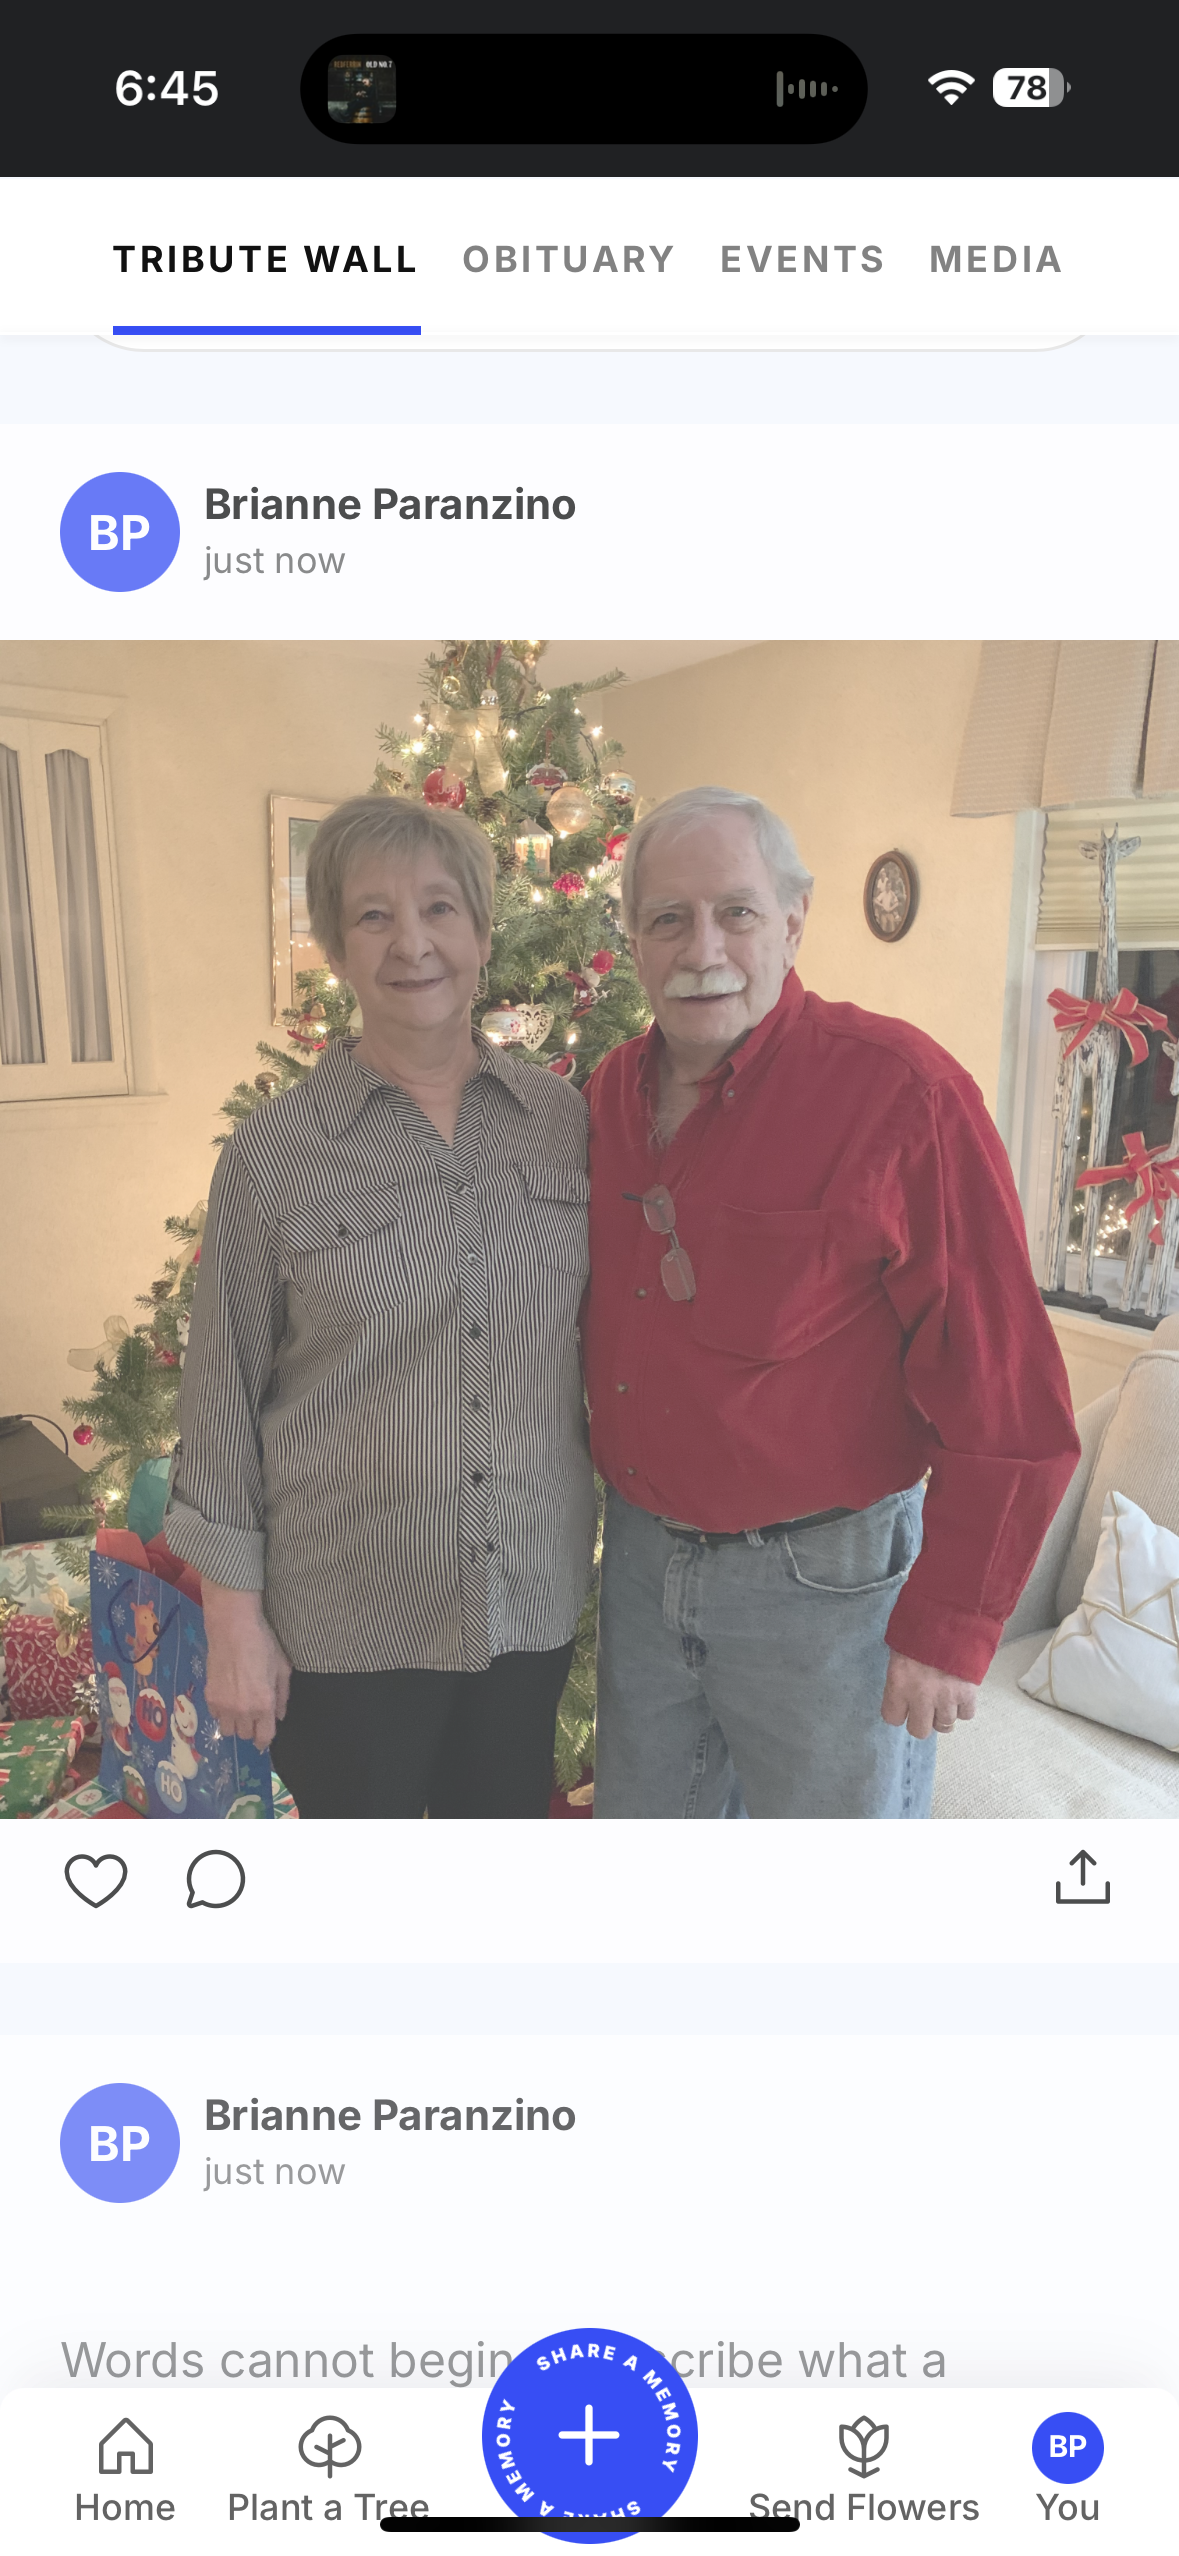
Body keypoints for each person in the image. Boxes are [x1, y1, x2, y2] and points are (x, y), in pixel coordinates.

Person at [580, 784, 1081, 1819]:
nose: (701, 949)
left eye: (736, 911)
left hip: (826, 1594)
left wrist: (950, 1628)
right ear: (631, 941)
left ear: (794, 921)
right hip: (638, 1565)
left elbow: (1009, 1396)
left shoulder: (903, 1095)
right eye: (666, 918)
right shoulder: (603, 1099)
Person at [164, 795, 595, 1817]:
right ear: (335, 948)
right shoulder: (273, 1152)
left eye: (440, 908)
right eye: (373, 916)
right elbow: (219, 1394)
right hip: (345, 1623)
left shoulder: (563, 1123)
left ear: (481, 932)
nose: (412, 943)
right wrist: (232, 1619)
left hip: (525, 1606)